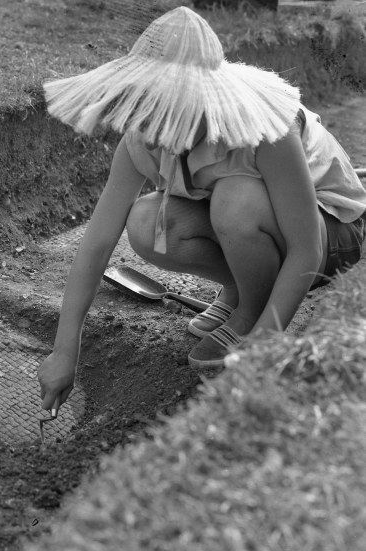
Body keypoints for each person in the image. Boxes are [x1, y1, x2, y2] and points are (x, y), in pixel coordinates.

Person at [38, 6, 366, 412]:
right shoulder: (141, 142)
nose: (159, 126)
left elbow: (307, 249)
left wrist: (263, 346)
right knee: (146, 222)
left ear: (206, 99)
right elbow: (97, 244)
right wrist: (64, 351)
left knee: (236, 200)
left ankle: (249, 311)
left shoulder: (265, 130)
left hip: (332, 235)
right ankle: (242, 287)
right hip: (262, 228)